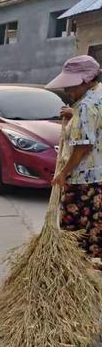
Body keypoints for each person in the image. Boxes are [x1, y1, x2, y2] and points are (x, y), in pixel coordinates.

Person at [47, 55, 102, 268]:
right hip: (98, 178)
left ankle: (77, 276)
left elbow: (83, 147)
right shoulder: (97, 96)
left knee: (77, 238)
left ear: (87, 80)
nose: (68, 91)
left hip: (83, 182)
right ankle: (91, 274)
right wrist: (74, 115)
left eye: (71, 85)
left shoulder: (86, 105)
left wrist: (62, 174)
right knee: (94, 232)